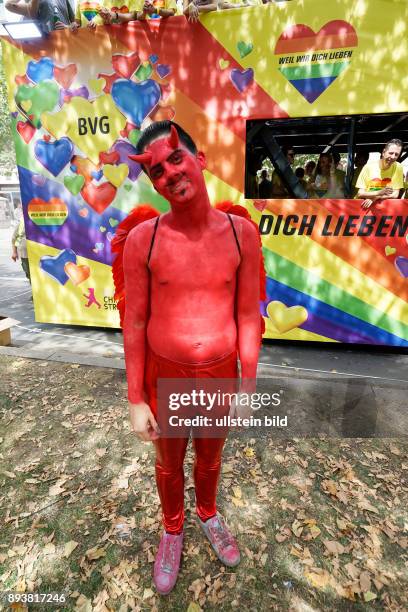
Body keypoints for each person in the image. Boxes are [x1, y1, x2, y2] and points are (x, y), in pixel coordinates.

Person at [113, 120, 261, 595]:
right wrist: (136, 398)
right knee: (168, 463)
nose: (169, 174)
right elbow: (134, 323)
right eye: (156, 171)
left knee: (211, 459)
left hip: (220, 373)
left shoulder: (241, 234)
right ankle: (172, 528)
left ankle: (209, 514)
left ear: (199, 159)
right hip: (165, 373)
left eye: (176, 158)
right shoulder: (144, 239)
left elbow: (246, 315)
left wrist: (248, 386)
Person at [356, 139, 404, 209]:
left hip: (383, 210)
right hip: (363, 207)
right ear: (384, 152)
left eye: (396, 154)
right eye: (391, 153)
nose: (393, 157)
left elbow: (395, 194)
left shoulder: (398, 167)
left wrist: (375, 198)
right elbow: (360, 193)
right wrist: (379, 192)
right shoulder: (368, 167)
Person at [5, 0, 76, 32]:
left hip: (66, 39)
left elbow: (73, 21)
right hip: (47, 41)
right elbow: (8, 5)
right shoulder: (31, 2)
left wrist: (69, 27)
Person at [100, 0, 176, 22]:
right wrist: (144, 13)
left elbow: (171, 12)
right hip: (146, 38)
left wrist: (156, 10)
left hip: (168, 37)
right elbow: (136, 16)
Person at [11, 215, 31, 284]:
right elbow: (14, 239)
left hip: (37, 254)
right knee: (28, 273)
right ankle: (34, 291)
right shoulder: (21, 224)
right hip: (25, 255)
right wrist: (14, 252)